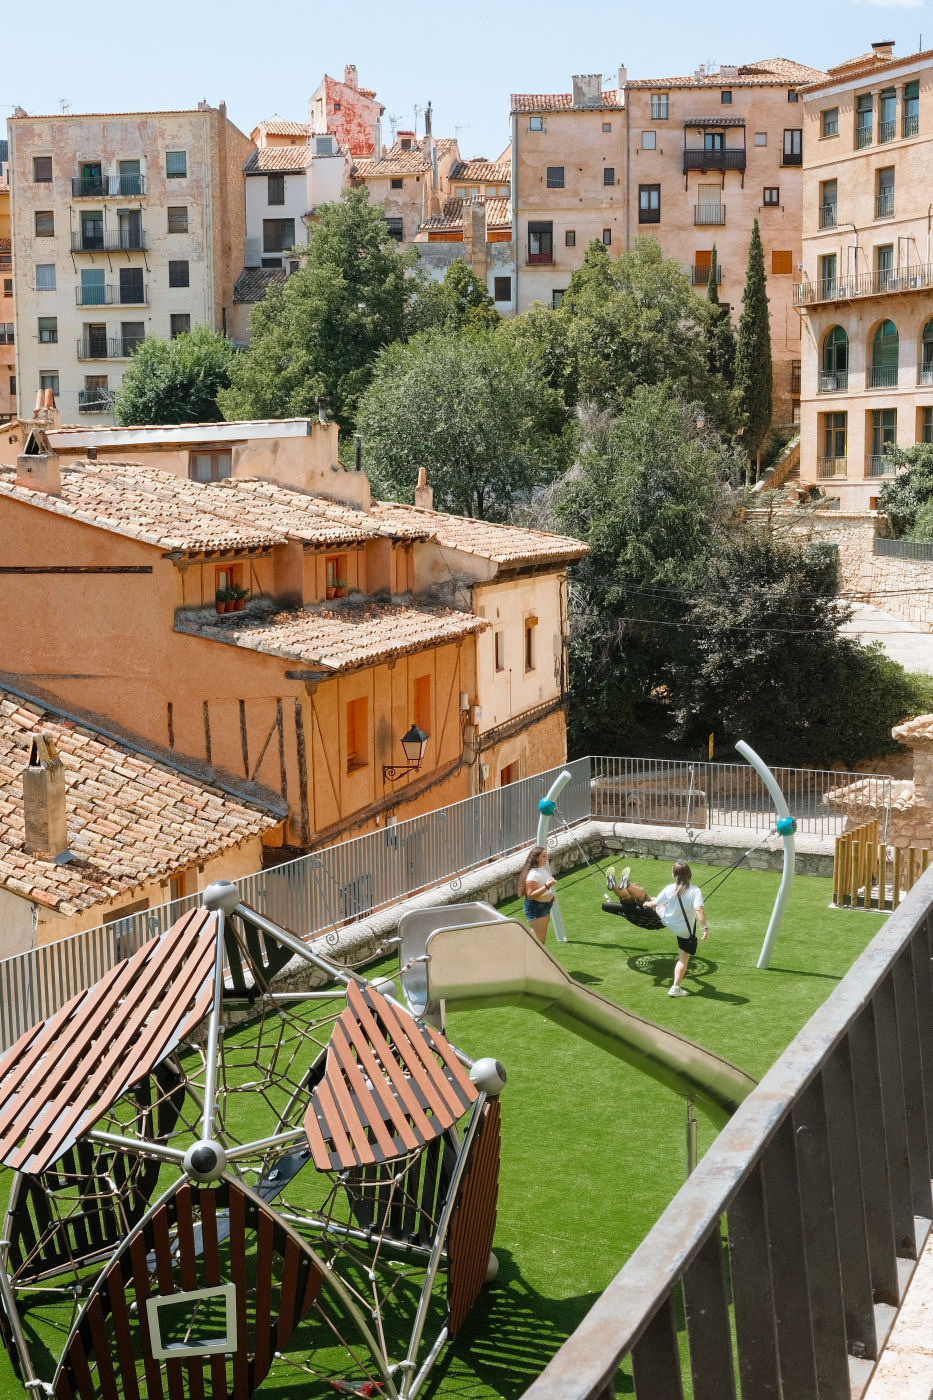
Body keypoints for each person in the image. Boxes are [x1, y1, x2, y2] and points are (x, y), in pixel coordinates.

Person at [644, 860, 708, 997]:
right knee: (683, 961)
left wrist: (647, 904)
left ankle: (636, 893)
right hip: (684, 931)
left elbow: (656, 903)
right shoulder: (695, 891)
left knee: (658, 902)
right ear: (690, 874)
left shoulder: (669, 888)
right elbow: (699, 911)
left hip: (667, 920)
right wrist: (705, 929)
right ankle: (675, 988)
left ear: (674, 875)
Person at [518, 845, 556, 944]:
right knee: (539, 941)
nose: (546, 858)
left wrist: (550, 895)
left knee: (539, 939)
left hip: (545, 906)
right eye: (543, 856)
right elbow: (530, 895)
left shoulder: (541, 869)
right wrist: (547, 886)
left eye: (546, 856)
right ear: (536, 858)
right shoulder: (533, 874)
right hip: (536, 908)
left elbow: (541, 886)